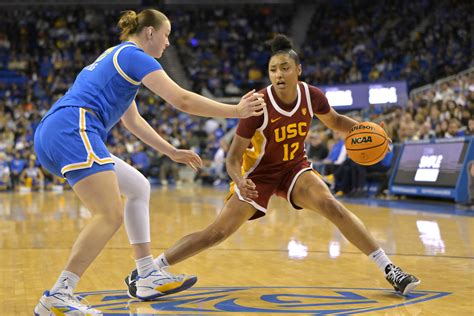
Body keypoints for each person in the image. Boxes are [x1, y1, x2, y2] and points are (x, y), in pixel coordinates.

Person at [124, 34, 420, 298]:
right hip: (257, 176)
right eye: (273, 70)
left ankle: (390, 269)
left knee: (333, 206)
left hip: (294, 169)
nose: (278, 74)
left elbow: (337, 122)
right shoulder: (257, 105)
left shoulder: (311, 95)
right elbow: (232, 156)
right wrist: (239, 179)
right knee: (217, 233)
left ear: (298, 70)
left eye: (285, 68)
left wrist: (371, 133)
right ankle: (150, 270)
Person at [33, 9, 264, 315]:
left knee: (138, 186)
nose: (168, 44)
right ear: (150, 32)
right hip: (73, 127)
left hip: (57, 132)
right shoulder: (136, 56)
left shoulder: (117, 58)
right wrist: (236, 111)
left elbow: (133, 120)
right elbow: (181, 99)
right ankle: (59, 294)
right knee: (109, 214)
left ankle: (146, 275)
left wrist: (171, 151)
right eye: (166, 35)